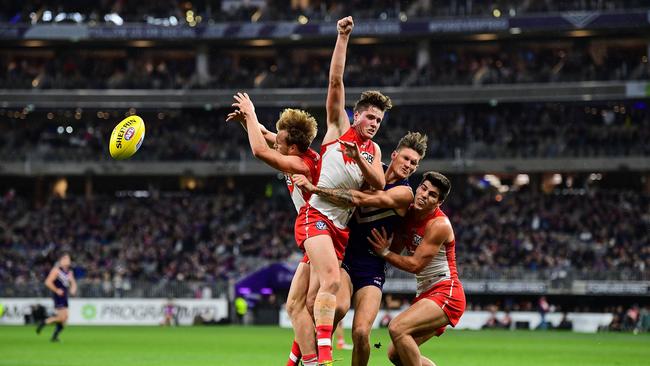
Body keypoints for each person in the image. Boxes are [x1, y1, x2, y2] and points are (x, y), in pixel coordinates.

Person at [295, 15, 390, 364]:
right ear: (357, 115)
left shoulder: (373, 152)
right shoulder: (338, 128)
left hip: (342, 230)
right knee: (325, 290)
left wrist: (361, 160)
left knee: (309, 303)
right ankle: (322, 360)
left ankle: (297, 359)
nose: (375, 125)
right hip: (317, 215)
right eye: (370, 118)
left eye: (379, 121)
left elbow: (378, 182)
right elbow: (335, 80)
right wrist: (343, 37)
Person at [294, 132, 427, 366]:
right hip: (346, 257)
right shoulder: (370, 170)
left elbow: (360, 199)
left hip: (372, 267)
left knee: (361, 333)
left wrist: (315, 189)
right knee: (336, 308)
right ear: (394, 155)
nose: (409, 165)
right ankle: (310, 359)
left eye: (414, 163)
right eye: (406, 158)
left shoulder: (405, 193)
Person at [227, 93, 321, 366]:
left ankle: (314, 361)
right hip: (316, 235)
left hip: (319, 234)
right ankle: (303, 362)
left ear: (291, 147)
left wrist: (251, 111)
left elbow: (259, 150)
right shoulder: (296, 152)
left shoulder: (300, 164)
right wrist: (247, 122)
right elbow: (266, 135)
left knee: (307, 306)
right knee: (297, 306)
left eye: (280, 141)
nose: (274, 141)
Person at [368, 172, 465, 366]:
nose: (424, 195)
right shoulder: (408, 213)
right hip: (427, 293)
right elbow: (395, 247)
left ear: (438, 202)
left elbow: (415, 265)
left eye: (432, 194)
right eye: (423, 188)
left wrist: (384, 253)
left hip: (447, 292)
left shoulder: (439, 225)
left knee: (397, 328)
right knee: (396, 354)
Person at [37, 253, 77, 342]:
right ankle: (44, 322)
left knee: (65, 319)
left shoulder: (69, 272)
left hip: (65, 296)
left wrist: (73, 289)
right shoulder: (56, 271)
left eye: (69, 259)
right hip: (58, 296)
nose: (68, 260)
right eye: (66, 258)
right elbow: (47, 282)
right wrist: (56, 290)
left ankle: (54, 336)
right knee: (62, 318)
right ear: (61, 261)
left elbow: (73, 282)